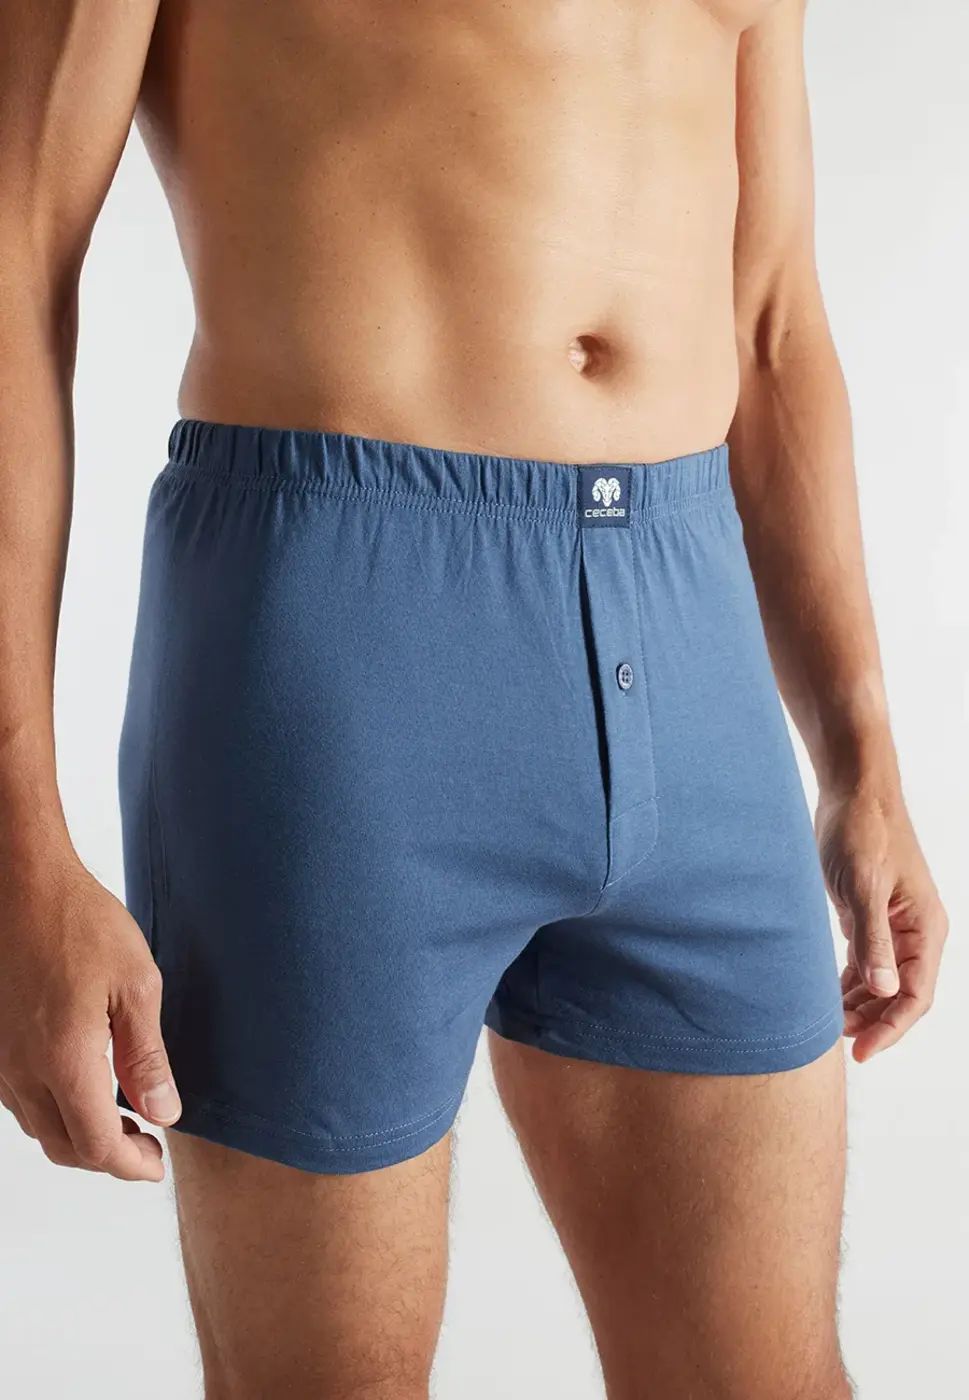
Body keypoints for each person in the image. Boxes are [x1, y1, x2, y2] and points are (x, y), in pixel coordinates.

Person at [0, 1, 948, 1397]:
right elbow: (16, 255)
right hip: (340, 644)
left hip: (692, 639)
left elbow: (771, 322)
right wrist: (17, 847)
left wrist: (864, 760)